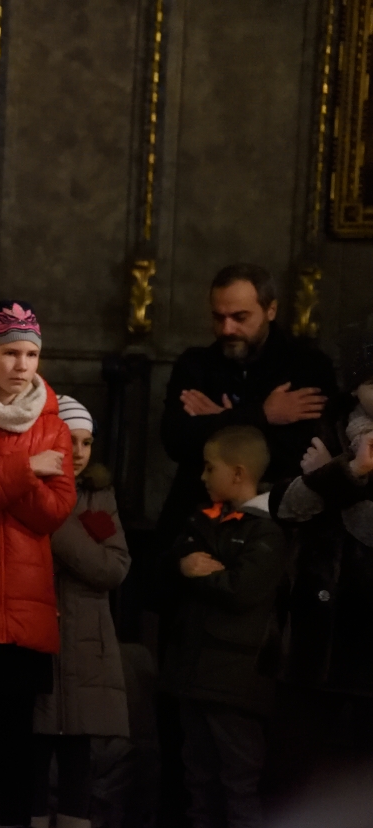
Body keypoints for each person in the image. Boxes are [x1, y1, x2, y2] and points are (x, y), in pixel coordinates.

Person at [154, 264, 334, 827]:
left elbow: (294, 452)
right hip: (194, 531)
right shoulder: (195, 364)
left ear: (271, 310)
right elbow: (177, 439)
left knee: (240, 754)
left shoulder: (306, 365)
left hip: (272, 540)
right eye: (218, 317)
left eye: (241, 316)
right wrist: (261, 413)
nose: (226, 328)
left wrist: (224, 419)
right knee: (188, 737)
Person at [0, 299, 77, 828]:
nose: (22, 365)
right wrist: (26, 469)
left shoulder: (53, 427)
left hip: (25, 613)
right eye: (9, 353)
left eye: (30, 354)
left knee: (18, 740)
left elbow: (51, 513)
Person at [159, 426, 288, 828]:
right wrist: (183, 564)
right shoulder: (204, 519)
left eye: (209, 467)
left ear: (237, 473)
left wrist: (197, 574)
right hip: (194, 675)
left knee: (239, 783)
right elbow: (175, 558)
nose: (202, 476)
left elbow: (242, 589)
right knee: (199, 781)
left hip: (235, 683)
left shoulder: (267, 529)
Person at [268, 338, 373, 799]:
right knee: (290, 774)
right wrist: (349, 472)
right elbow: (286, 505)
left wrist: (334, 475)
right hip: (317, 633)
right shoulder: (331, 427)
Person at [31, 396, 131, 828]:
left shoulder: (98, 496)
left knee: (78, 760)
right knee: (31, 756)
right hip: (37, 639)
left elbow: (113, 567)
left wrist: (56, 525)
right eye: (70, 440)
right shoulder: (28, 486)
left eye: (87, 442)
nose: (79, 451)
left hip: (86, 646)